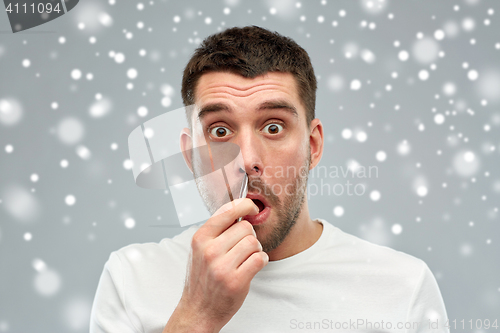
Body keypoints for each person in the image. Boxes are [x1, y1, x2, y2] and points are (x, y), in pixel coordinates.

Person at [90, 26, 449, 333]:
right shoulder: (131, 278)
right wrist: (197, 316)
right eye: (219, 130)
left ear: (312, 145)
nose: (247, 161)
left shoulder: (402, 285)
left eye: (273, 127)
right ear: (190, 156)